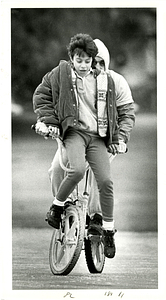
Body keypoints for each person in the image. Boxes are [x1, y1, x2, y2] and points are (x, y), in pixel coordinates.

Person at [33, 33, 135, 259]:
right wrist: (49, 123)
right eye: (91, 61)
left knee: (102, 180)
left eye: (99, 62)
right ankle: (64, 207)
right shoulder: (67, 76)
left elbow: (127, 114)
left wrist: (121, 139)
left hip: (103, 139)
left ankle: (98, 218)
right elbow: (47, 97)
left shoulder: (114, 81)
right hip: (73, 135)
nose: (94, 67)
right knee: (59, 168)